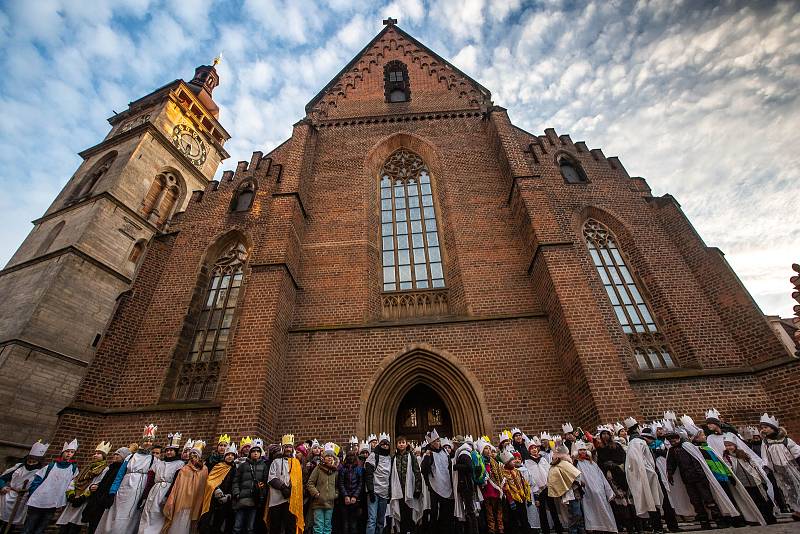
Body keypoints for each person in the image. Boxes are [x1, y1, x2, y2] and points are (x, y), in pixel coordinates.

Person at [98, 424, 158, 534]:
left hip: (138, 490)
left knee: (131, 515)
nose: (148, 443)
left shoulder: (153, 459)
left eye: (150, 441)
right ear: (142, 441)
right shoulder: (130, 457)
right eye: (146, 440)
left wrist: (144, 496)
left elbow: (151, 480)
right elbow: (120, 475)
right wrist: (112, 491)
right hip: (124, 489)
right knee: (116, 513)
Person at [22, 438, 79, 534]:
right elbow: (37, 480)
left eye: (72, 452)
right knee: (30, 524)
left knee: (42, 525)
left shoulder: (73, 469)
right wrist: (32, 494)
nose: (69, 454)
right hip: (39, 500)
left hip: (53, 502)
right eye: (67, 451)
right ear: (63, 452)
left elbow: (72, 484)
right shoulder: (51, 466)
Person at [56, 441, 111, 534]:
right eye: (95, 453)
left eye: (99, 454)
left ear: (104, 457)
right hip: (75, 496)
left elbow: (97, 483)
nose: (95, 455)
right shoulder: (87, 467)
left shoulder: (104, 469)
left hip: (84, 499)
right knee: (64, 526)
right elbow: (76, 479)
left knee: (75, 525)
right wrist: (71, 494)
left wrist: (83, 496)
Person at [722, 436, 776, 524]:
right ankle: (760, 518)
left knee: (764, 499)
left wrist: (762, 479)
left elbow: (754, 466)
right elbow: (728, 468)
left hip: (755, 481)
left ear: (735, 445)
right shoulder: (726, 457)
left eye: (730, 445)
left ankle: (770, 517)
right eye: (726, 445)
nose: (728, 447)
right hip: (744, 483)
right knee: (754, 501)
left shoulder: (743, 454)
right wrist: (730, 476)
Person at [139, 433, 186, 534]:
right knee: (148, 513)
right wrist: (145, 495)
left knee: (159, 515)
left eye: (171, 450)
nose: (169, 452)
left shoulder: (180, 464)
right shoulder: (158, 463)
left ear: (175, 451)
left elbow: (176, 482)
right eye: (167, 450)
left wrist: (168, 496)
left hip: (166, 490)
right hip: (154, 490)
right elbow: (150, 480)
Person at [759, 412, 800, 521]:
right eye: (762, 427)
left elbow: (796, 452)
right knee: (788, 490)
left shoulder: (785, 440)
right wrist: (766, 467)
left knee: (798, 486)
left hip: (791, 467)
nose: (764, 429)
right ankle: (797, 510)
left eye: (766, 427)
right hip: (778, 470)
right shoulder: (766, 443)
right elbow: (765, 456)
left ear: (773, 428)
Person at [162, 440, 208, 534]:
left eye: (196, 455)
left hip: (194, 501)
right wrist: (172, 498)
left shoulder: (204, 470)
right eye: (192, 454)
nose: (193, 457)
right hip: (181, 501)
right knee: (178, 523)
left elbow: (204, 487)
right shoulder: (184, 469)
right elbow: (176, 485)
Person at [0, 440, 47, 533]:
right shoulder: (18, 468)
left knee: (11, 523)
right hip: (8, 496)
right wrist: (2, 486)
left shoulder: (39, 473)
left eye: (34, 462)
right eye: (29, 461)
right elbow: (2, 478)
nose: (31, 464)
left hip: (22, 500)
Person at [83, 447, 130, 534]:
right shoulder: (110, 468)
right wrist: (96, 486)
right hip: (98, 498)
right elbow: (103, 481)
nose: (115, 456)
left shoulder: (122, 470)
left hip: (106, 499)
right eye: (115, 454)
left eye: (118, 455)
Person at [572, 441, 616, 533]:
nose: (583, 452)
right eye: (580, 450)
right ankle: (594, 528)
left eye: (584, 450)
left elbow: (602, 477)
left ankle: (607, 527)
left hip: (599, 490)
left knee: (603, 508)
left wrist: (608, 491)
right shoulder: (576, 464)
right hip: (587, 492)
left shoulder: (593, 463)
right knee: (590, 510)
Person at [266, 435, 303, 534]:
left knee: (290, 526)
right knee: (275, 526)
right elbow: (271, 477)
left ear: (292, 449)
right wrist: (282, 487)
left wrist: (290, 489)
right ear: (283, 448)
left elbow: (298, 481)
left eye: (290, 447)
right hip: (276, 499)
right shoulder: (275, 462)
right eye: (286, 447)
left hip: (290, 500)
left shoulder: (296, 463)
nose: (288, 449)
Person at [199, 441, 237, 534]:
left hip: (225, 498)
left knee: (219, 522)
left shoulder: (235, 469)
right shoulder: (218, 466)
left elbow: (234, 483)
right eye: (228, 455)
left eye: (232, 455)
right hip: (213, 496)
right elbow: (210, 480)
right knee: (208, 519)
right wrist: (216, 490)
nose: (230, 457)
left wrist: (229, 495)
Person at [420, 429, 454, 534]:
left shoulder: (444, 452)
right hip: (434, 486)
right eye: (435, 441)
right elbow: (424, 470)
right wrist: (427, 457)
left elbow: (449, 467)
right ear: (431, 443)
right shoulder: (429, 454)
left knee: (446, 511)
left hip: (447, 485)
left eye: (439, 441)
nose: (438, 443)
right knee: (434, 511)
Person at [232, 439, 267, 534]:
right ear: (250, 453)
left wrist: (261, 492)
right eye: (253, 451)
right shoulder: (243, 466)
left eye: (257, 451)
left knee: (250, 528)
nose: (255, 453)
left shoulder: (264, 466)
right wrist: (237, 494)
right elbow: (236, 481)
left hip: (254, 500)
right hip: (242, 499)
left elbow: (265, 482)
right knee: (237, 526)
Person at [546, 446, 583, 534]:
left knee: (578, 514)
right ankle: (573, 531)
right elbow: (553, 480)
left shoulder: (566, 463)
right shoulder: (554, 466)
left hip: (574, 491)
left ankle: (581, 530)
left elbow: (576, 475)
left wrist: (573, 481)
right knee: (573, 514)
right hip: (567, 493)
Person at [389, 435, 422, 534]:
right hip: (399, 491)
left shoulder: (411, 456)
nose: (401, 444)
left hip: (410, 490)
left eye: (403, 442)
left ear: (406, 443)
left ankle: (411, 531)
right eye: (399, 443)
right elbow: (392, 475)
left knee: (410, 513)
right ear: (396, 445)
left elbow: (417, 472)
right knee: (402, 513)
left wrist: (418, 489)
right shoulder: (394, 458)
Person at [305, 443, 338, 534]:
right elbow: (310, 483)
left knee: (327, 527)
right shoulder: (318, 468)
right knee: (318, 527)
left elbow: (337, 486)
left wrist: (335, 494)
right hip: (318, 503)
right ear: (323, 457)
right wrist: (316, 494)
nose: (329, 458)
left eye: (331, 456)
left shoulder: (335, 471)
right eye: (327, 456)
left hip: (330, 503)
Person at [364, 433, 391, 534]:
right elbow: (368, 475)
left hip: (384, 493)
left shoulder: (389, 458)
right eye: (383, 444)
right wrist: (370, 490)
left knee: (380, 521)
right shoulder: (373, 456)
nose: (385, 446)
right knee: (372, 520)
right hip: (374, 492)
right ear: (379, 444)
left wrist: (390, 492)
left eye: (387, 444)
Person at [499, 450, 531, 534]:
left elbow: (523, 484)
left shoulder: (517, 471)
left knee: (524, 518)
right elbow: (505, 489)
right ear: (507, 463)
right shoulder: (503, 473)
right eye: (512, 460)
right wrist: (510, 500)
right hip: (512, 500)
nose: (514, 462)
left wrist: (526, 495)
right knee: (514, 520)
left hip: (521, 498)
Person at [452, 436, 478, 534]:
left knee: (470, 511)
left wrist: (455, 466)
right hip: (466, 485)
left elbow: (469, 467)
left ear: (458, 444)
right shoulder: (464, 452)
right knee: (469, 510)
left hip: (466, 485)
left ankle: (473, 530)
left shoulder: (463, 453)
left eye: (454, 444)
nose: (453, 446)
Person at [478, 437, 504, 534]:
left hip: (496, 490)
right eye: (486, 448)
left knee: (499, 511)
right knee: (489, 513)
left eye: (489, 448)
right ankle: (492, 529)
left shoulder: (494, 461)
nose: (488, 450)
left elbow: (499, 474)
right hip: (487, 490)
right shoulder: (481, 462)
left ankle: (500, 529)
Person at [337, 449, 363, 534]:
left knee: (353, 523)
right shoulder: (342, 469)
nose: (350, 458)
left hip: (355, 500)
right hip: (344, 499)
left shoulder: (359, 469)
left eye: (352, 456)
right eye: (349, 456)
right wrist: (346, 496)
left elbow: (360, 483)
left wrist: (355, 496)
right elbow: (340, 483)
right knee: (345, 523)